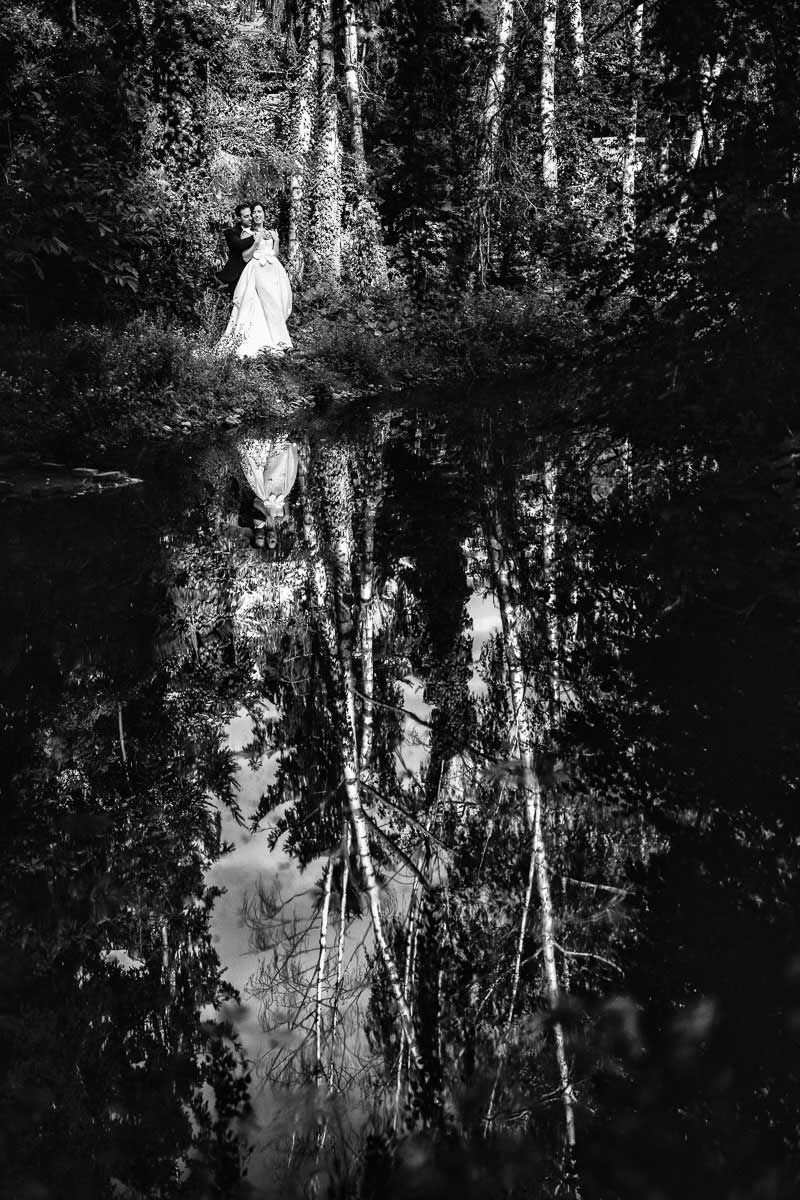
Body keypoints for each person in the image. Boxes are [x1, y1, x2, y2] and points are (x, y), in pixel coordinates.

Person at [217, 202, 293, 358]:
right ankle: (274, 341)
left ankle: (280, 340)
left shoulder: (271, 232)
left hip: (272, 271)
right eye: (254, 213)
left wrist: (276, 240)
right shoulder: (247, 234)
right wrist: (256, 242)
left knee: (275, 304)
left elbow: (274, 253)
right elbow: (245, 257)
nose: (257, 215)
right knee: (264, 303)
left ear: (264, 213)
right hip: (257, 271)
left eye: (260, 211)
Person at [237, 435, 299, 549]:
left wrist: (268, 514)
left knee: (273, 467)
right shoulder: (280, 520)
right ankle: (285, 442)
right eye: (273, 540)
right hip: (282, 491)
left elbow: (256, 503)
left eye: (267, 540)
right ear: (277, 538)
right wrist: (287, 512)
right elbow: (284, 500)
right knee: (285, 468)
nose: (270, 538)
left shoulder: (260, 522)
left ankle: (274, 439)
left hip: (267, 491)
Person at [217, 203, 255, 298]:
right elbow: (239, 245)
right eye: (246, 216)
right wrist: (255, 237)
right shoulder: (231, 232)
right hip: (237, 275)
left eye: (251, 215)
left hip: (254, 273)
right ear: (239, 218)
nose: (250, 218)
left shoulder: (257, 229)